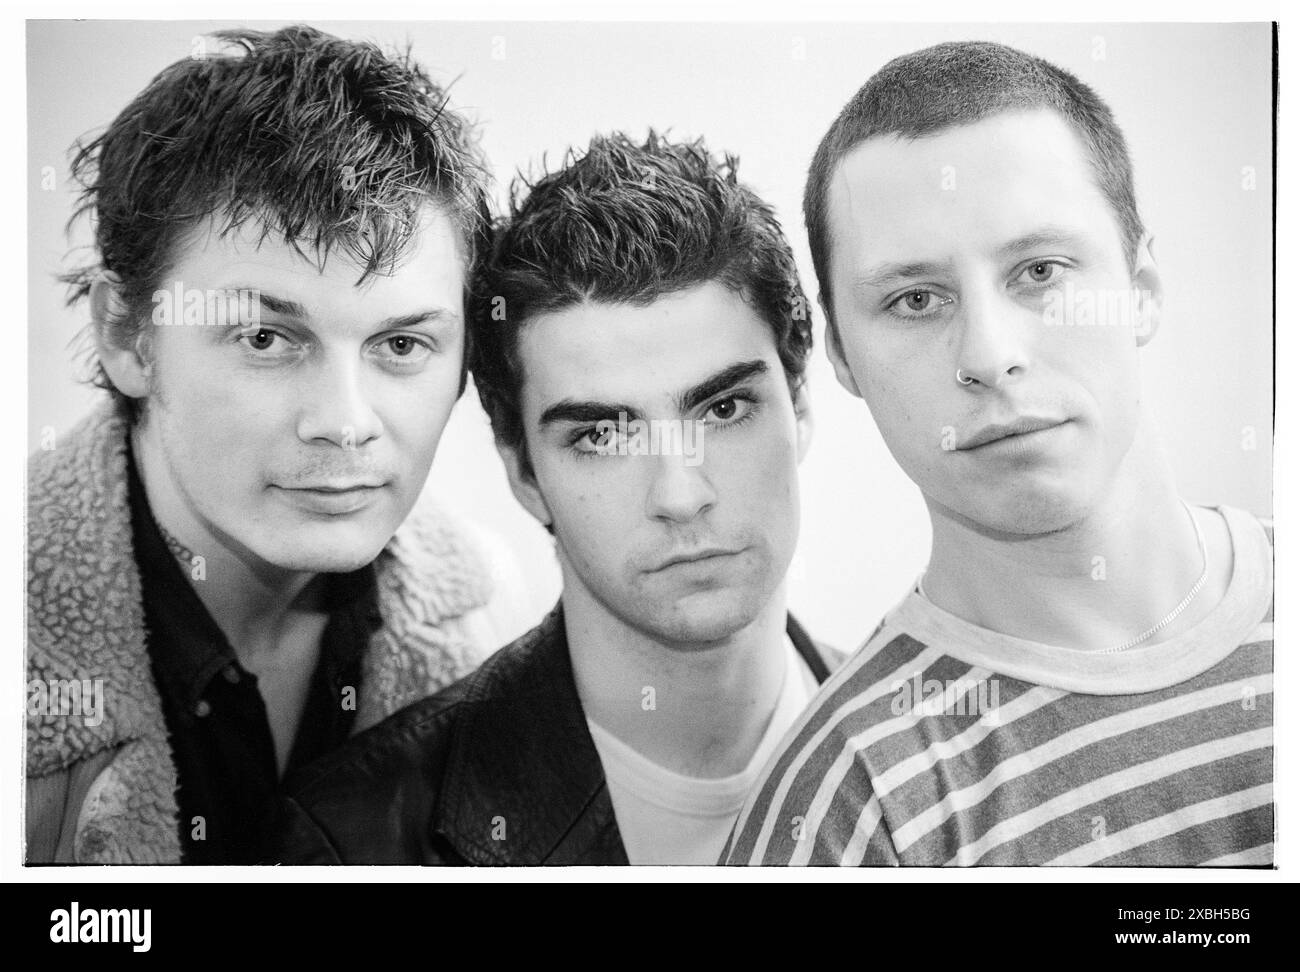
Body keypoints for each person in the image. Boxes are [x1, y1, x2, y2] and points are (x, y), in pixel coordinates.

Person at [724, 41, 1273, 867]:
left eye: (1040, 271)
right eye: (915, 299)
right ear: (841, 356)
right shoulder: (843, 810)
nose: (988, 352)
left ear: (1142, 288)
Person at [26, 25, 526, 864]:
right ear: (127, 333)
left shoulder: (490, 633)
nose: (344, 420)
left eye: (401, 345)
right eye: (266, 339)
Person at [275, 132, 843, 865]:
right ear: (522, 472)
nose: (680, 493)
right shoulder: (354, 841)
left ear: (799, 407)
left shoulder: (945, 750)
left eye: (723, 411)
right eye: (602, 438)